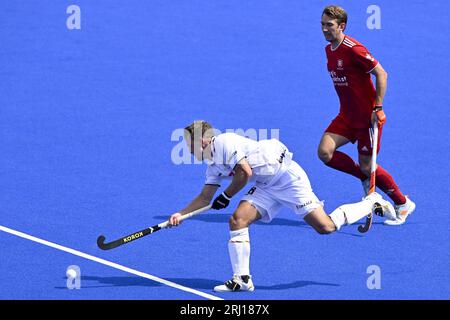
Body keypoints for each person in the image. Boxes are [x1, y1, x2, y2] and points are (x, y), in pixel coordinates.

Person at [169, 120, 396, 292]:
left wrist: (227, 196)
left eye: (190, 144)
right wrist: (180, 215)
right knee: (237, 219)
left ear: (203, 141)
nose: (188, 150)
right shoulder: (212, 166)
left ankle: (371, 201)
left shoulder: (225, 142)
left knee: (325, 227)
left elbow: (244, 173)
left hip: (287, 178)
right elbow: (204, 198)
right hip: (265, 185)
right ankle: (242, 279)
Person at [318, 5, 415, 226]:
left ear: (341, 26)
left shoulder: (354, 49)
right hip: (346, 116)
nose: (324, 29)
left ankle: (402, 204)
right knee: (325, 152)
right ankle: (365, 179)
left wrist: (378, 107)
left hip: (368, 119)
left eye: (329, 25)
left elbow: (382, 73)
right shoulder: (329, 50)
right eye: (322, 24)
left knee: (366, 164)